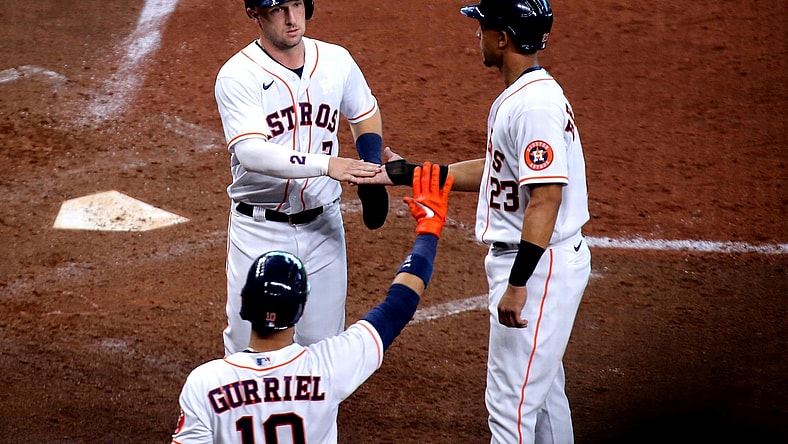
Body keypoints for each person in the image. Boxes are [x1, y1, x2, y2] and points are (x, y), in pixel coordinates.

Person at [359, 0, 591, 442]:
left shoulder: (533, 106)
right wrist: (412, 172)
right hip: (544, 261)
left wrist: (519, 284)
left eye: (483, 26)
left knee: (509, 411)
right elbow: (501, 169)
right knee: (541, 400)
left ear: (502, 38)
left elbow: (545, 198)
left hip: (538, 268)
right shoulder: (529, 95)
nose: (477, 34)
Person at [171, 163, 454, 443]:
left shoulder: (206, 383)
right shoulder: (329, 367)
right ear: (300, 310)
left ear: (244, 306)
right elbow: (399, 306)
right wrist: (429, 230)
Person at [214, 0, 391, 356]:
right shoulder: (238, 75)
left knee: (324, 350)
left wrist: (370, 166)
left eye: (297, 4)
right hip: (259, 232)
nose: (293, 19)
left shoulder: (336, 60)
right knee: (249, 349)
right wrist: (328, 165)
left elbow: (365, 113)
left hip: (323, 227)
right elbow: (251, 152)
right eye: (278, 8)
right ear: (255, 13)